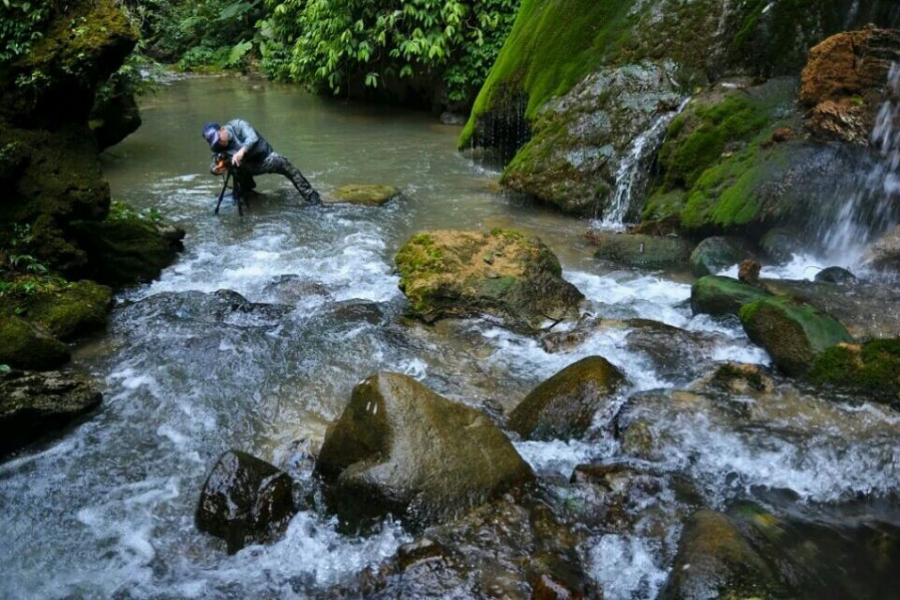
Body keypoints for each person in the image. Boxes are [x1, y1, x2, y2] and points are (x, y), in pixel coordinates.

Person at [202, 120, 321, 204]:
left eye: (219, 139)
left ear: (222, 129)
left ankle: (312, 197)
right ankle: (246, 193)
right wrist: (215, 169)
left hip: (265, 159)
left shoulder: (238, 125)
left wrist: (242, 151)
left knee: (284, 164)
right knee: (231, 166)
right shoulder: (216, 146)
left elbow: (253, 138)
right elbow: (214, 162)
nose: (220, 143)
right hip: (245, 167)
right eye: (216, 142)